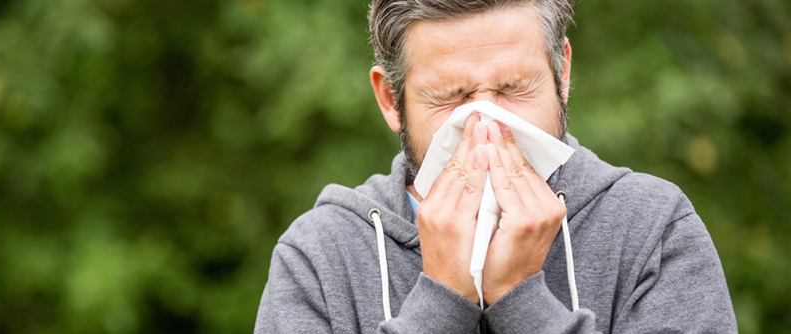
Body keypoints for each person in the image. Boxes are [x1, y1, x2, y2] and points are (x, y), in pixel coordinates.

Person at [254, 0, 737, 332]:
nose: (487, 124)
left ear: (562, 73)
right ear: (390, 99)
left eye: (513, 88)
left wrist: (520, 297)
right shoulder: (319, 255)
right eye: (451, 97)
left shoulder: (653, 228)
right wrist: (441, 299)